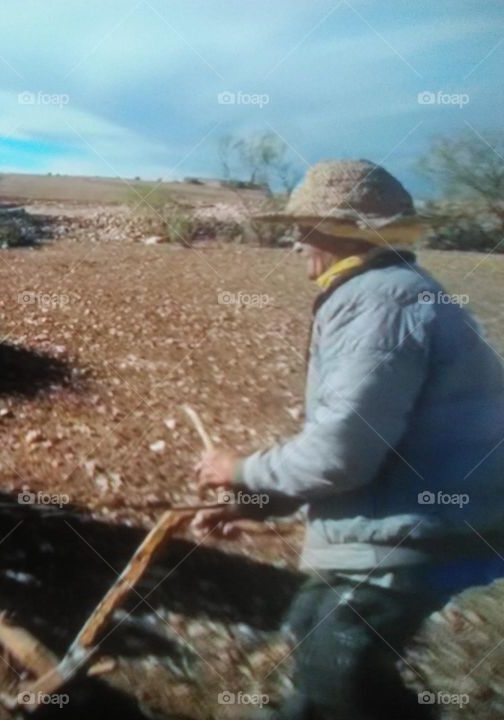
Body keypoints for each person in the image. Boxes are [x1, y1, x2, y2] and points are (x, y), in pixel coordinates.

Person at [193, 160, 504, 720]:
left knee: (339, 669)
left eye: (304, 229)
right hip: (413, 522)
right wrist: (260, 502)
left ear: (347, 231)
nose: (295, 245)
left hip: (423, 535)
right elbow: (370, 450)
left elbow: (342, 451)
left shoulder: (383, 302)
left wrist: (238, 470)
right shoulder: (388, 293)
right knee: (313, 642)